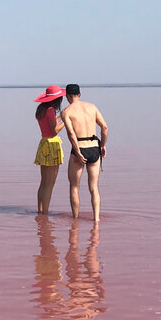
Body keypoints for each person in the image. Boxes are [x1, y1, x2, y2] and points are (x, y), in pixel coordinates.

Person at [60, 83, 109, 222]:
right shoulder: (92, 107)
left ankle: (75, 220)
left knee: (74, 186)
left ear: (66, 96)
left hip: (79, 148)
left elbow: (70, 133)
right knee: (94, 187)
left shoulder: (66, 111)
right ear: (80, 95)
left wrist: (77, 152)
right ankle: (97, 219)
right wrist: (103, 145)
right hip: (95, 148)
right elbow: (104, 127)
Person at [32, 85, 66, 215]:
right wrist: (67, 122)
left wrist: (62, 116)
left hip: (44, 143)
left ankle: (40, 210)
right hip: (52, 145)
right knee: (50, 183)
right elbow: (55, 130)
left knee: (43, 182)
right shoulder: (51, 110)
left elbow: (50, 123)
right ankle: (45, 213)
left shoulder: (42, 110)